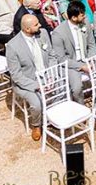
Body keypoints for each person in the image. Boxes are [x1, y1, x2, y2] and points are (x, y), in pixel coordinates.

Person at [6, 14, 62, 142]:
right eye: (36, 25)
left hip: (47, 76)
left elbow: (52, 56)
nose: (40, 26)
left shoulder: (43, 34)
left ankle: (53, 118)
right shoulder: (12, 46)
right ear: (27, 29)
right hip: (27, 82)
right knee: (37, 104)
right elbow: (16, 75)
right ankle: (36, 125)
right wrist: (37, 85)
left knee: (63, 90)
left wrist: (52, 75)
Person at [50, 1, 96, 102]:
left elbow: (92, 44)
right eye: (82, 15)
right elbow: (61, 58)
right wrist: (81, 66)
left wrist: (91, 59)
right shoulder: (58, 32)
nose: (85, 17)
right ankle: (81, 108)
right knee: (76, 88)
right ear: (74, 18)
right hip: (72, 64)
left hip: (87, 59)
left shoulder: (86, 23)